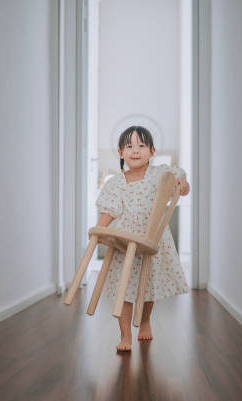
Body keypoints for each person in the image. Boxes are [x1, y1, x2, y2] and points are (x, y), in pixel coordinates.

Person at [91, 125, 190, 352]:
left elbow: (181, 185)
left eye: (142, 145)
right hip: (126, 240)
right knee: (124, 288)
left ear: (152, 151)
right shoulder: (115, 183)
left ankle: (144, 321)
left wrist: (182, 186)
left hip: (152, 237)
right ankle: (125, 334)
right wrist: (99, 228)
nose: (135, 150)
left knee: (147, 285)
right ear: (120, 152)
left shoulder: (160, 175)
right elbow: (109, 210)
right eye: (129, 146)